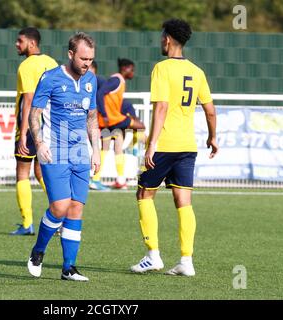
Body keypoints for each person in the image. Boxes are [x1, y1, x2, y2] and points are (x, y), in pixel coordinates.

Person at [130, 18, 218, 276]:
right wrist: (213, 137)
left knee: (144, 194)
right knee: (184, 202)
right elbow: (210, 111)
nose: (160, 40)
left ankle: (153, 256)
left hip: (165, 144)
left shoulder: (162, 68)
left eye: (161, 36)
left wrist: (151, 145)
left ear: (167, 39)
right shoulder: (197, 71)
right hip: (187, 146)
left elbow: (162, 108)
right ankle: (186, 261)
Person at [26, 32, 100, 281]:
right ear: (70, 54)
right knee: (59, 207)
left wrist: (96, 151)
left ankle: (69, 267)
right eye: (83, 58)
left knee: (76, 208)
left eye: (90, 59)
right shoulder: (50, 78)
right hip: (54, 150)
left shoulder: (91, 79)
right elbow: (34, 114)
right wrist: (38, 143)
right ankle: (38, 251)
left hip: (80, 152)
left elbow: (92, 118)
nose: (87, 63)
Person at [11, 27, 58, 236]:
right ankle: (60, 215)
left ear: (32, 43)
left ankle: (27, 223)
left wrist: (23, 132)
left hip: (32, 125)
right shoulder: (52, 62)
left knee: (22, 172)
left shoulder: (26, 66)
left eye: (20, 41)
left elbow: (28, 100)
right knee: (42, 171)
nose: (16, 44)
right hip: (50, 125)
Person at [91, 58, 145, 190]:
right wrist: (104, 114)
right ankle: (133, 148)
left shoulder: (120, 81)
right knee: (141, 126)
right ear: (125, 68)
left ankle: (119, 180)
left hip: (112, 120)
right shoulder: (117, 80)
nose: (133, 73)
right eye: (131, 70)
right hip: (113, 119)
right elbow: (100, 93)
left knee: (115, 148)